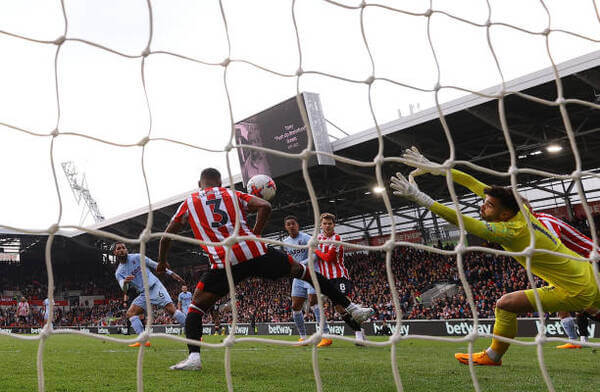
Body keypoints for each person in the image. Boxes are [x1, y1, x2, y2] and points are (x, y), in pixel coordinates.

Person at [392, 147, 600, 366]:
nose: (483, 206)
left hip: (575, 288)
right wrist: (439, 169)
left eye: (489, 205)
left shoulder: (510, 231)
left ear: (504, 214)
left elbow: (464, 221)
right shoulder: (521, 212)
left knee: (505, 305)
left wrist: (421, 198)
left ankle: (492, 356)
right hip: (586, 273)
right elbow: (475, 184)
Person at [158, 167, 374, 370]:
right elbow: (265, 206)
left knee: (195, 308)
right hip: (256, 253)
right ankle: (353, 308)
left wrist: (161, 261)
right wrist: (256, 234)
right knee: (305, 273)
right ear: (219, 182)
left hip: (225, 263)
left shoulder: (189, 202)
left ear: (200, 184)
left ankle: (194, 357)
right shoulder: (232, 194)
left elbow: (167, 234)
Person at [531, 210, 594, 349]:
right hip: (569, 265)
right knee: (563, 306)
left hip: (588, 259)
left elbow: (555, 247)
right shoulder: (532, 225)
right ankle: (575, 340)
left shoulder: (544, 221)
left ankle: (582, 339)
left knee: (584, 304)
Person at [113, 242, 187, 347]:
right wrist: (125, 282)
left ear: (126, 250)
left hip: (155, 287)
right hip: (144, 293)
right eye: (118, 248)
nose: (121, 250)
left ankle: (194, 335)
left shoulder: (137, 257)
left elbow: (155, 265)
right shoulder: (119, 272)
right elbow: (124, 289)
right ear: (114, 252)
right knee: (130, 313)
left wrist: (172, 274)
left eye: (123, 248)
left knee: (171, 310)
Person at [314, 212, 367, 344]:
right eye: (325, 224)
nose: (327, 226)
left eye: (330, 224)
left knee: (344, 305)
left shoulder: (336, 238)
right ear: (321, 225)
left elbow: (329, 258)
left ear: (334, 225)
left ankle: (358, 333)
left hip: (339, 277)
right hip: (326, 280)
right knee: (340, 309)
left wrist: (315, 249)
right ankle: (359, 328)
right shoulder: (317, 238)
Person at [282, 215, 332, 347]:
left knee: (314, 302)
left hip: (311, 274)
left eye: (293, 223)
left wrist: (301, 264)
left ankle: (325, 336)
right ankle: (303, 337)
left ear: (297, 225)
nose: (291, 226)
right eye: (288, 224)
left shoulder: (307, 238)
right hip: (298, 277)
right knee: (295, 306)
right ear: (285, 227)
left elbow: (316, 255)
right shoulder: (285, 242)